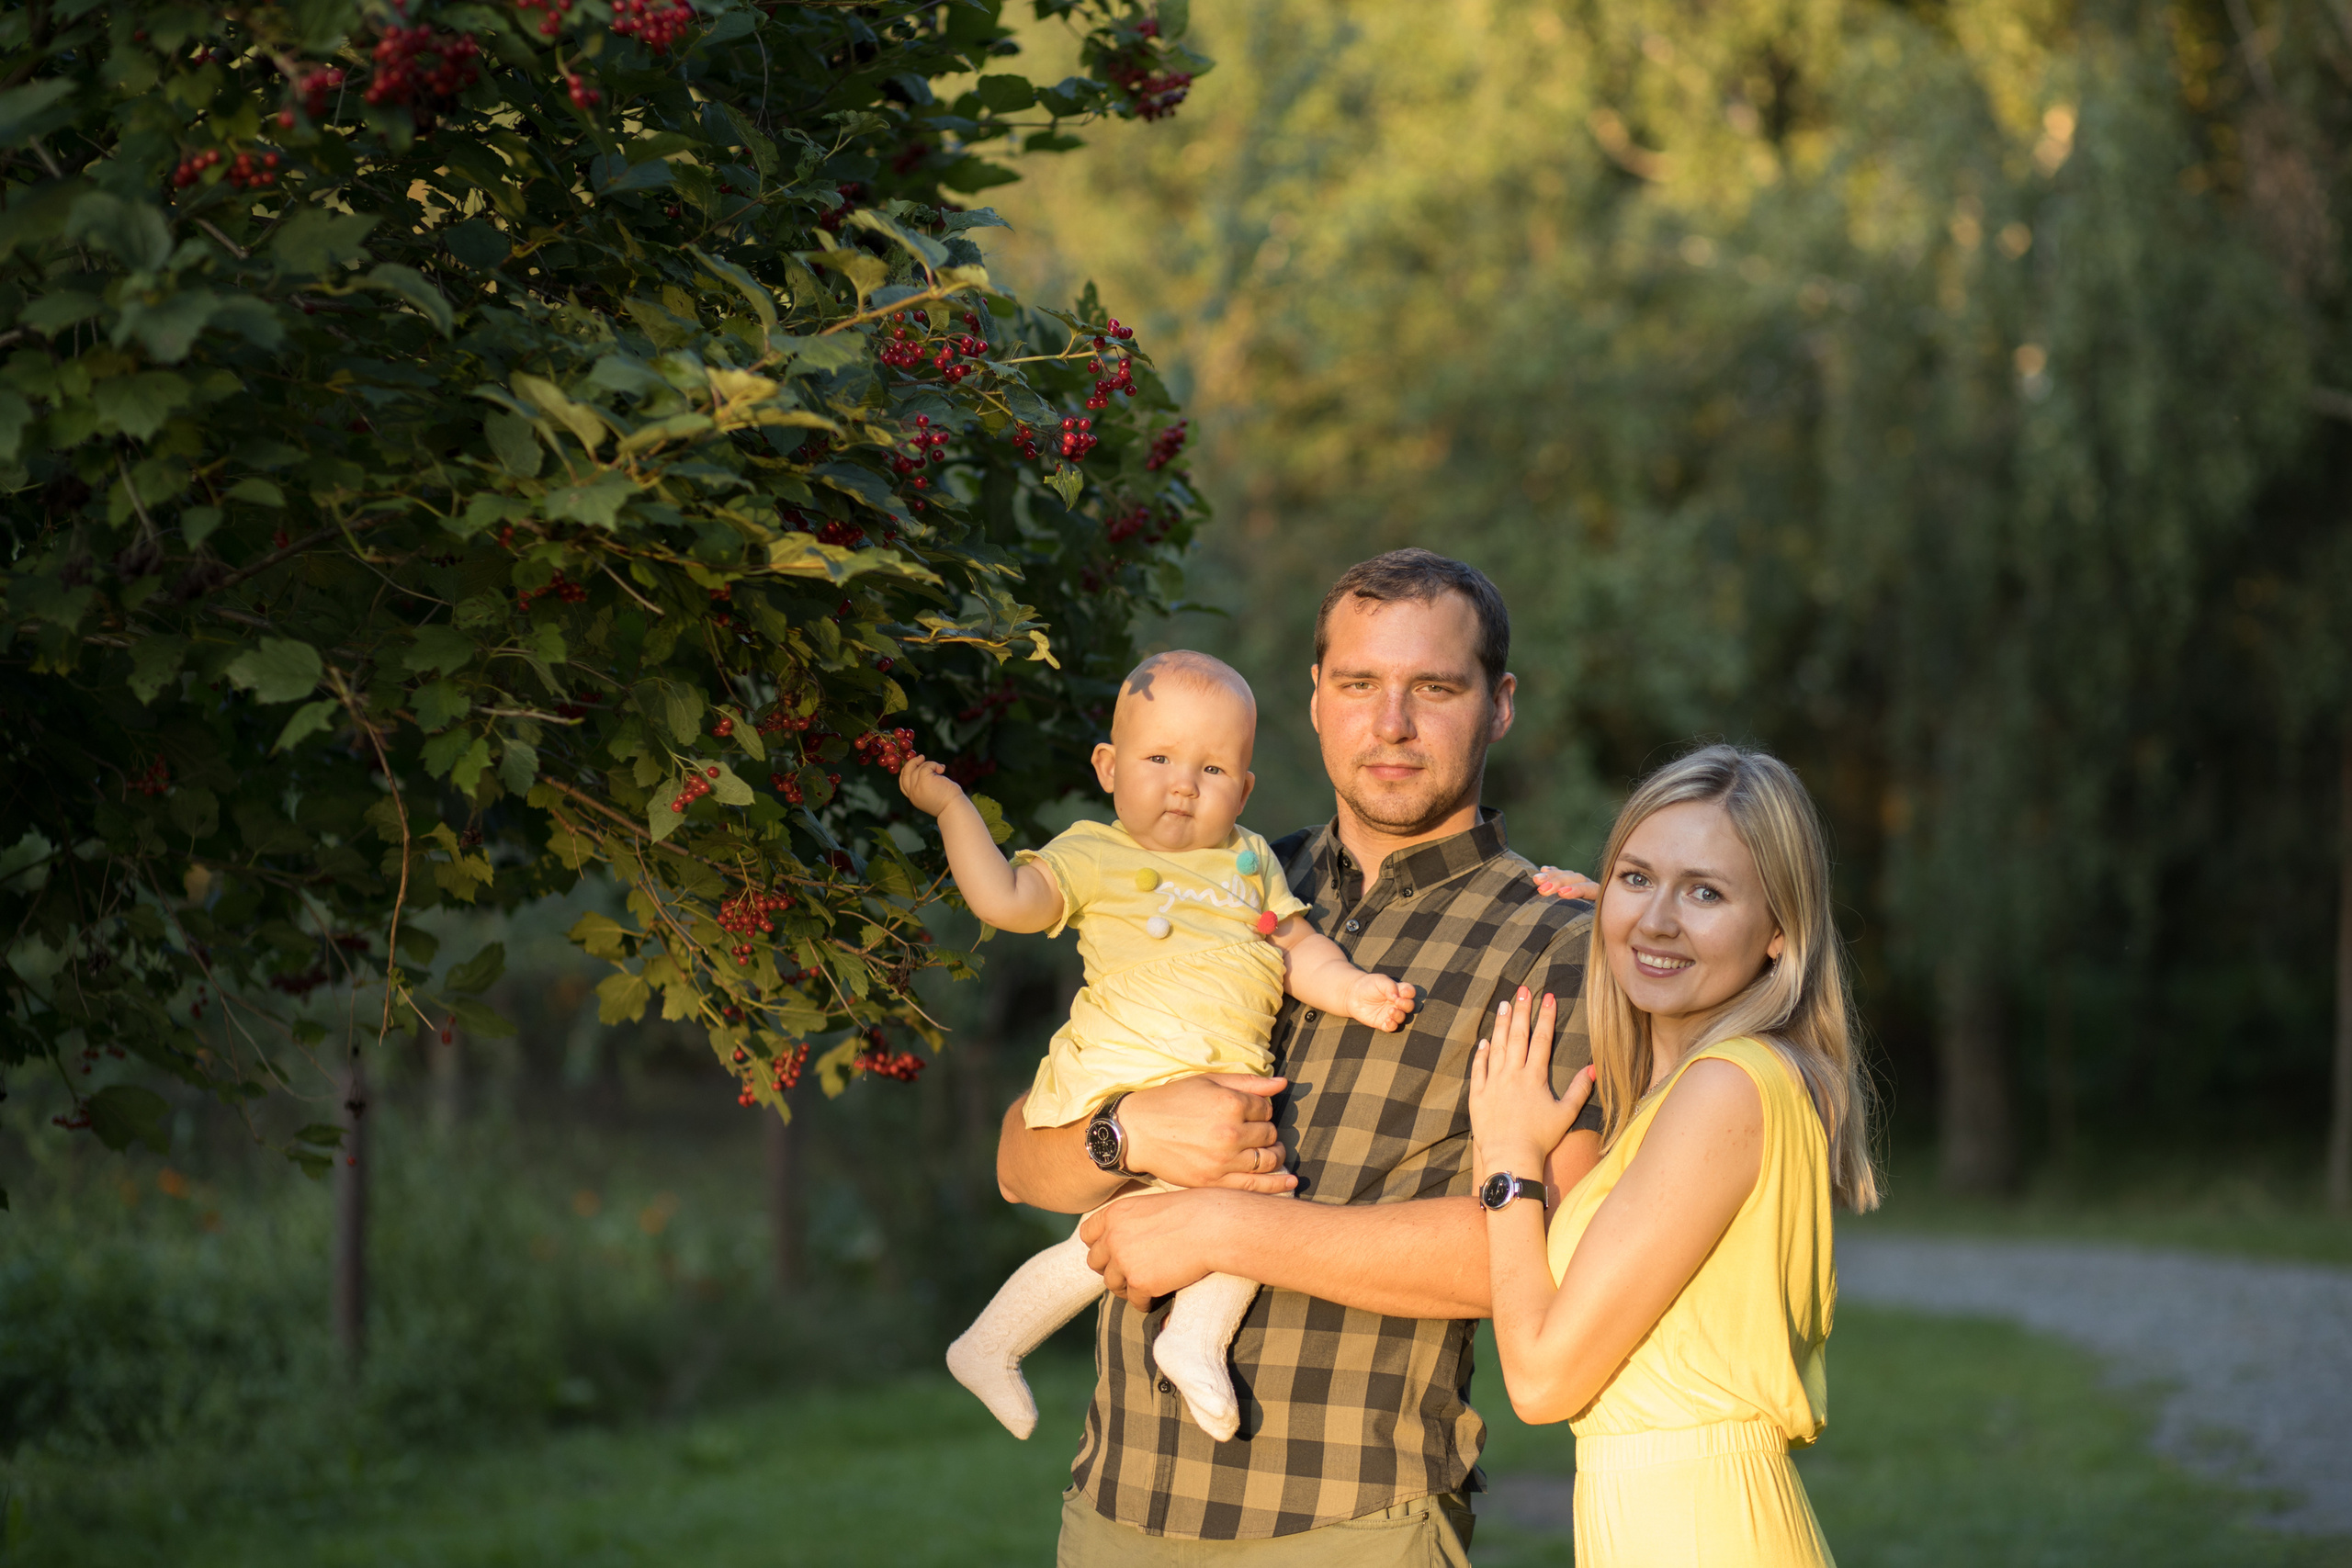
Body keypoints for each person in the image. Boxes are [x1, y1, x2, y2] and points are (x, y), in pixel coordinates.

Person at [998, 549, 1604, 1565]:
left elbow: (1544, 1252)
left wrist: (1222, 1227)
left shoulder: (1552, 941)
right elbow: (1020, 1162)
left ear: (1498, 706)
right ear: (1315, 698)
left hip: (1347, 1519)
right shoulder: (1208, 874)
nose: (1392, 723)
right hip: (1115, 1507)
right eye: (1360, 684)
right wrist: (1125, 1131)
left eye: (1435, 688)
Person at [899, 650, 1419, 1443]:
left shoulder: (1249, 862)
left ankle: (1012, 1342)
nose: (1184, 783)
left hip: (1222, 1089)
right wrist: (950, 810)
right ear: (1108, 767)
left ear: (1244, 789)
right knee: (1250, 1201)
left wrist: (1352, 989)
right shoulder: (1094, 853)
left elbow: (1294, 945)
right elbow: (1005, 898)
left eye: (1213, 768)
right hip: (1132, 1072)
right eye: (1159, 759)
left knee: (1246, 1207)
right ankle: (1175, 1340)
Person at [1469, 743, 1880, 1568]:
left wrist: (1506, 1162)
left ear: (1778, 932)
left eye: (1705, 891)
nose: (1658, 918)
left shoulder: (1728, 1089)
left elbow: (1543, 1380)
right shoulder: (1700, 1090)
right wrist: (1622, 926)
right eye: (1636, 877)